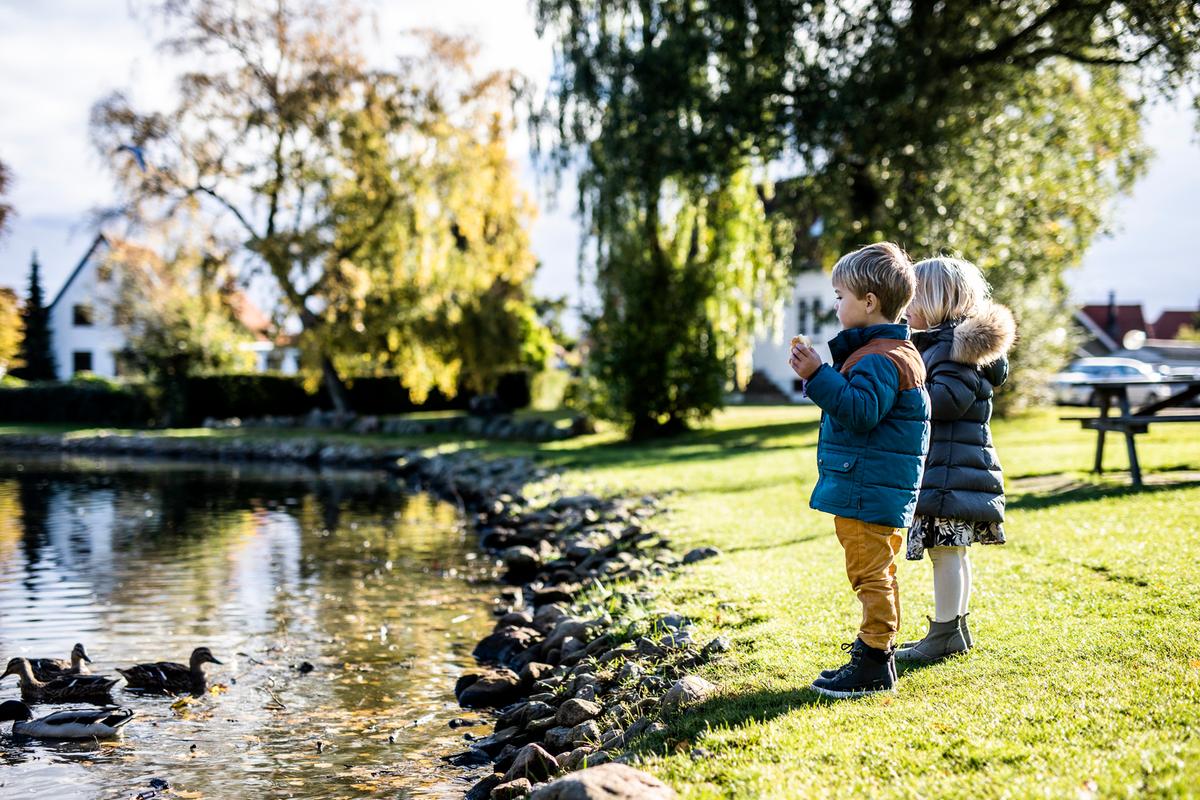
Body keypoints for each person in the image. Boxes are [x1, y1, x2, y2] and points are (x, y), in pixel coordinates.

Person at [789, 242, 930, 698]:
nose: (835, 305)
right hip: (872, 484)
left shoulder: (880, 359)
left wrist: (817, 374)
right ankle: (873, 654)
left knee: (870, 575)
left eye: (839, 296)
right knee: (874, 572)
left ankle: (873, 662)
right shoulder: (885, 351)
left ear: (869, 303)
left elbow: (859, 410)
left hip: (869, 489)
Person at [895, 256, 1015, 663]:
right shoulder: (948, 344)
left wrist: (906, 395)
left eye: (913, 298)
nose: (906, 306)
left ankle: (945, 632)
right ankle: (954, 628)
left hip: (950, 473)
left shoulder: (950, 347)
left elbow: (948, 400)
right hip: (955, 468)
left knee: (944, 552)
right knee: (952, 552)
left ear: (937, 299)